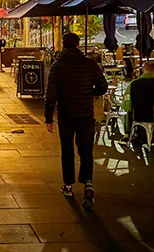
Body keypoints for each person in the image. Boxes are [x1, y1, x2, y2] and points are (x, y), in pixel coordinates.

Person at [45, 32, 108, 209]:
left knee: (67, 150)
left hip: (66, 115)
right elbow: (103, 86)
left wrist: (48, 117)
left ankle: (68, 185)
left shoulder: (58, 66)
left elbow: (51, 95)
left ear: (63, 45)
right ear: (78, 45)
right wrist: (90, 92)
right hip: (85, 114)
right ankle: (88, 182)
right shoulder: (90, 64)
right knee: (86, 150)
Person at [122, 61, 154, 141]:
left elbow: (127, 101)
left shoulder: (134, 84)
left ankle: (127, 134)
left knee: (129, 109)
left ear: (143, 70)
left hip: (138, 116)